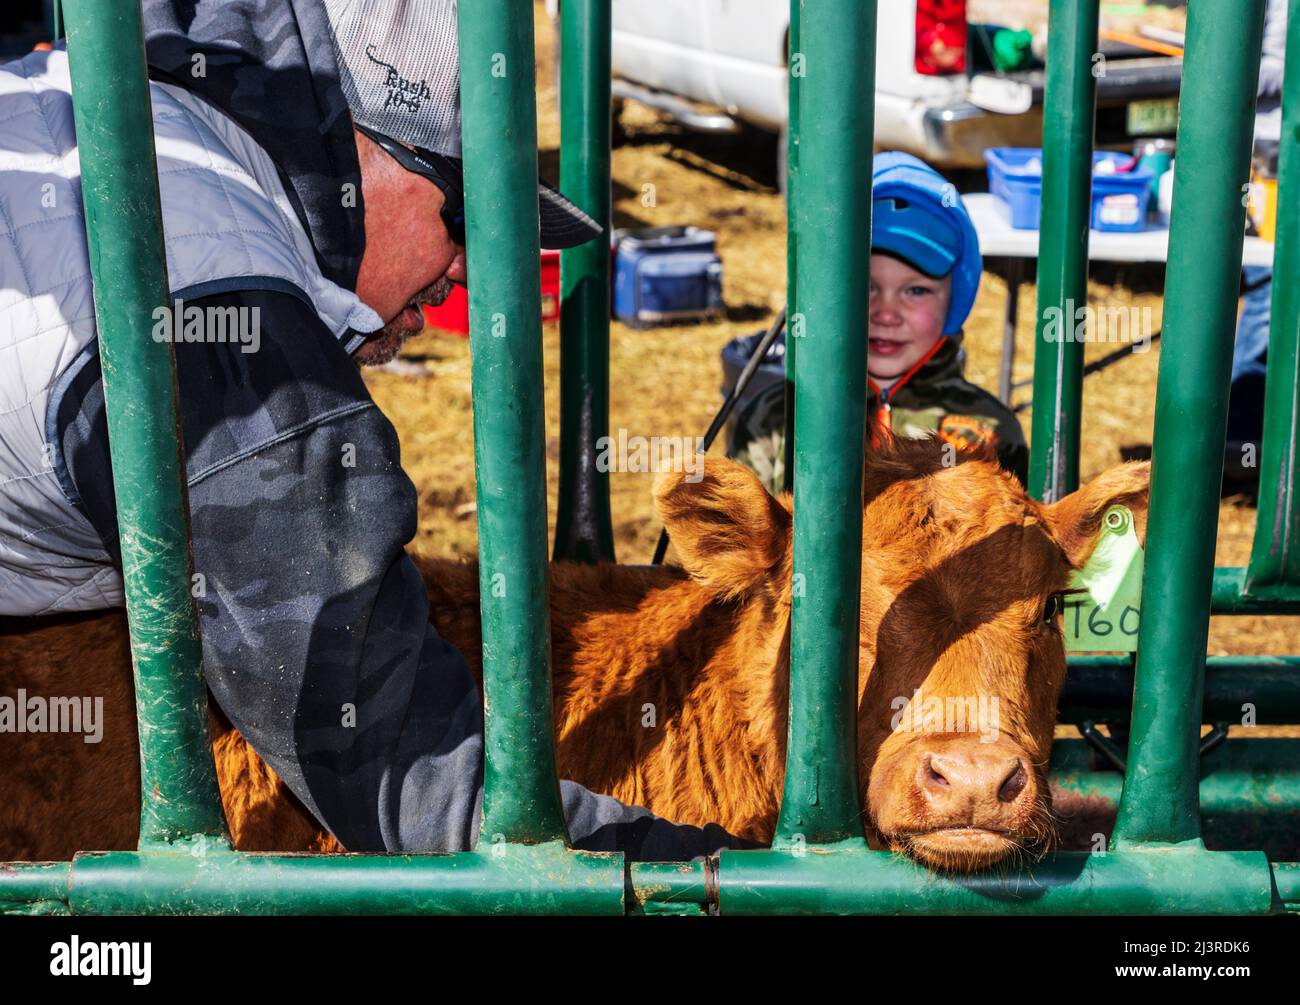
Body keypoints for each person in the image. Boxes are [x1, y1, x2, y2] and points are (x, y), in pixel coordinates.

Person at [0, 0, 744, 859]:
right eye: (461, 216)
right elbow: (409, 772)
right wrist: (717, 880)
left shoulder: (119, 112)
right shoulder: (232, 325)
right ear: (363, 151)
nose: (465, 270)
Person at [726, 152, 1027, 494]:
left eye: (915, 290)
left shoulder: (991, 430)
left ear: (956, 298)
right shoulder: (773, 419)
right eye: (863, 286)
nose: (885, 313)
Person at [1226, 0, 1288, 484]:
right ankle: (1240, 445)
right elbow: (1249, 69)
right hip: (1268, 148)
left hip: (1274, 144)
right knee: (1268, 287)